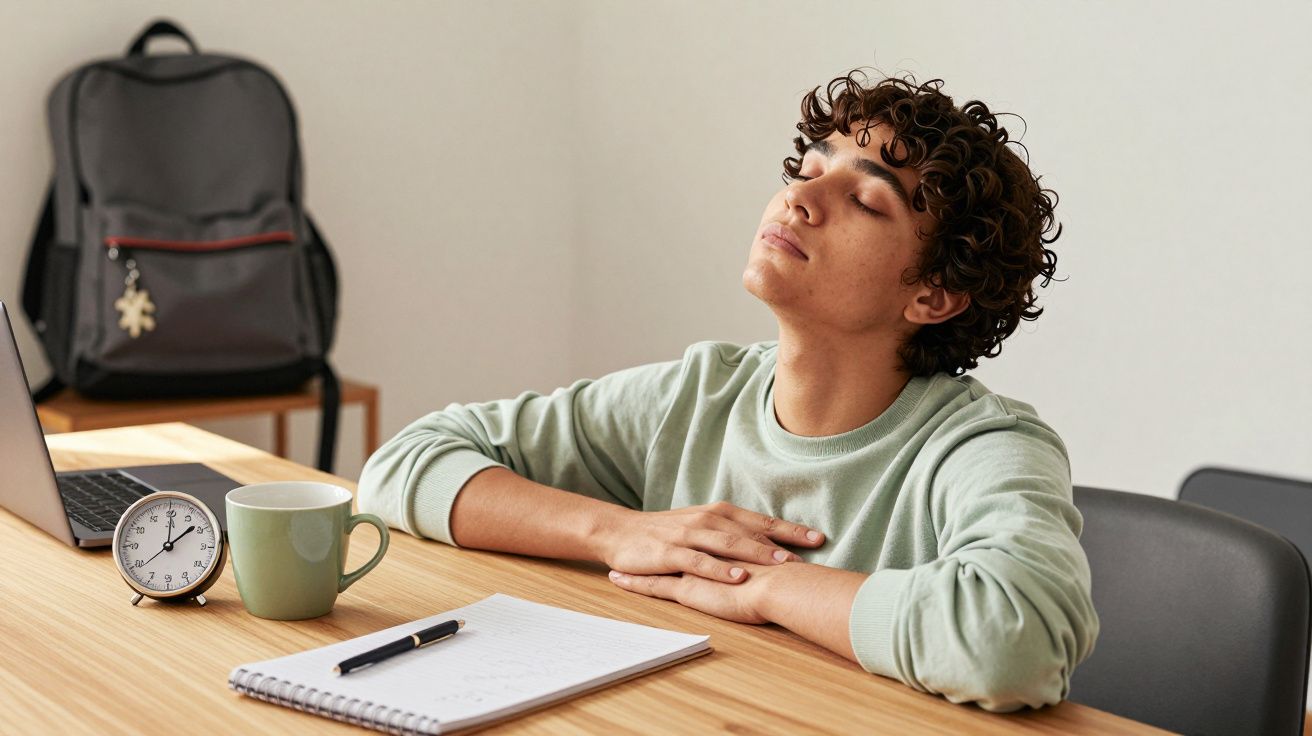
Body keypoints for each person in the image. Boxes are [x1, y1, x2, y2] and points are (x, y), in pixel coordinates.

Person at [358, 69, 1098, 712]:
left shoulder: (985, 448)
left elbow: (1014, 642)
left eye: (868, 203)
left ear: (934, 296)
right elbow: (403, 465)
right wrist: (619, 530)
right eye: (809, 168)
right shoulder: (696, 395)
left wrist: (765, 588)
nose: (802, 198)